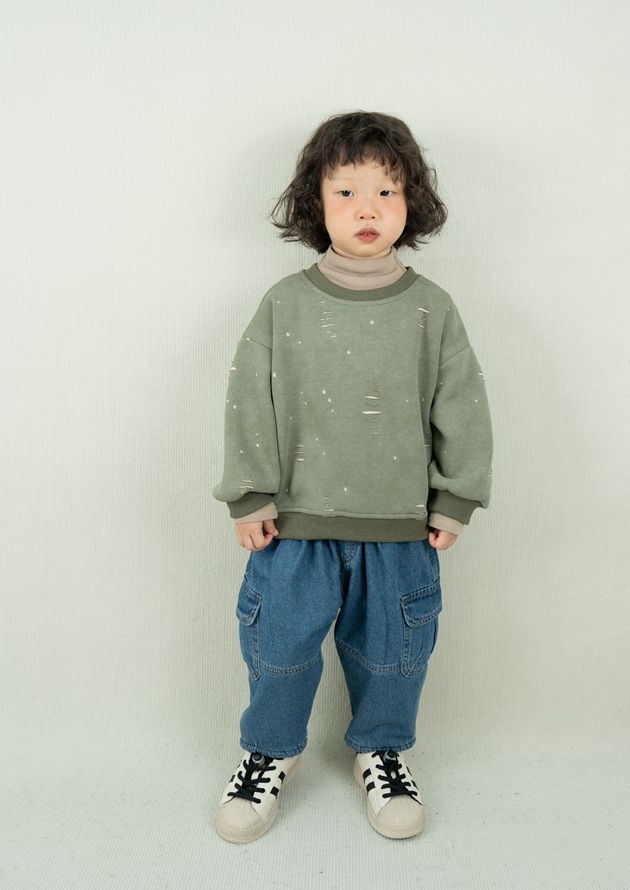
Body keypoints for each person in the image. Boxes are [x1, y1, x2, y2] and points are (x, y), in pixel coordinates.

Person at [211, 110, 493, 843]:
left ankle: (383, 751)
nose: (368, 209)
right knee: (279, 652)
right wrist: (249, 494)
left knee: (395, 658)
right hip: (292, 530)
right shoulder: (285, 304)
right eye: (346, 192)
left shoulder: (431, 309)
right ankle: (269, 753)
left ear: (411, 203)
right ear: (316, 203)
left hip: (400, 530)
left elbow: (461, 404)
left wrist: (455, 497)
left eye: (386, 191)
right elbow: (250, 402)